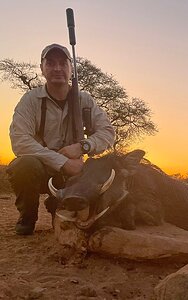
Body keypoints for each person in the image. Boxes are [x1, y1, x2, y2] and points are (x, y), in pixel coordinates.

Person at [7, 43, 115, 235]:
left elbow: (107, 131)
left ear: (71, 69)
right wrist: (63, 162)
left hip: (76, 172)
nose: (57, 68)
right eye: (50, 63)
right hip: (42, 169)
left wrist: (84, 146)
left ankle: (64, 208)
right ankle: (28, 217)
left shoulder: (84, 100)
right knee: (24, 165)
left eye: (63, 63)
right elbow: (19, 140)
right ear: (42, 69)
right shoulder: (30, 100)